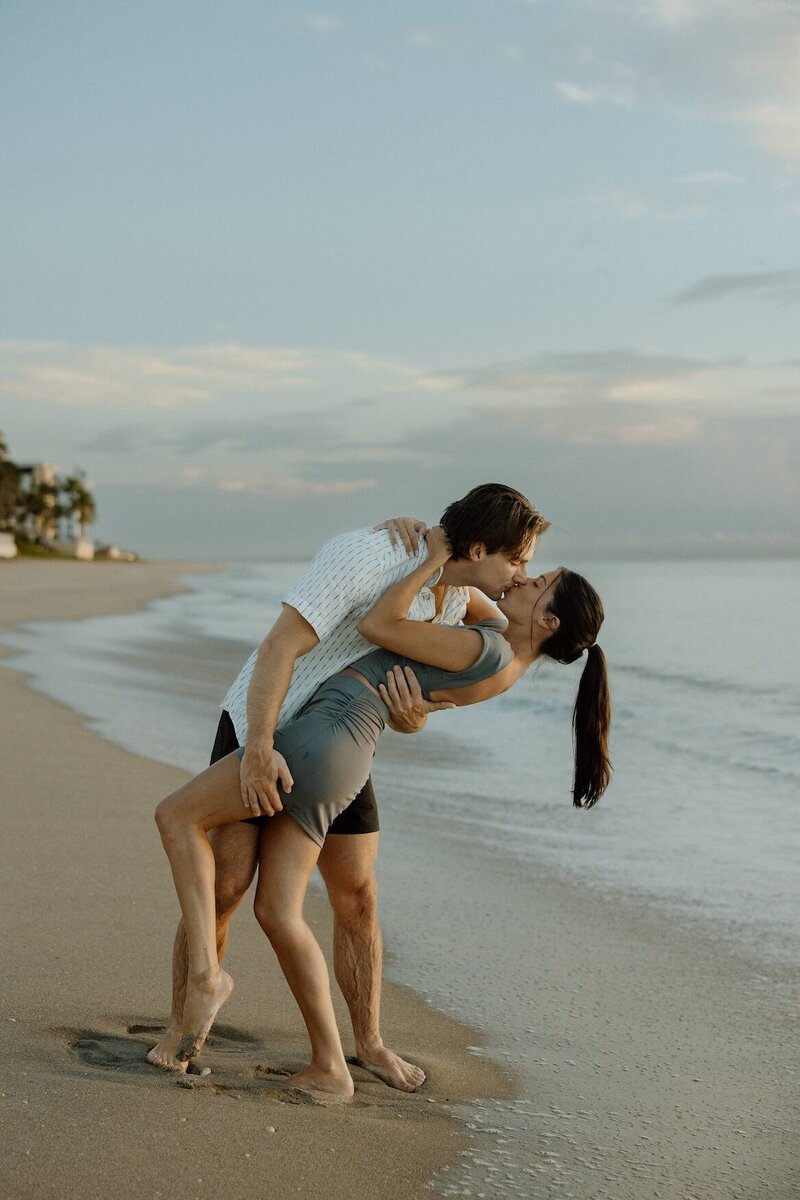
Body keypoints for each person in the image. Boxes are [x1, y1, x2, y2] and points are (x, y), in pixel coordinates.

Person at [154, 526, 611, 1097]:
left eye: (535, 579)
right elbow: (441, 650)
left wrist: (434, 561)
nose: (522, 577)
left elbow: (381, 631)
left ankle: (212, 981)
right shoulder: (498, 642)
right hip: (335, 740)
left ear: (548, 623)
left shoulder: (492, 650)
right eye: (519, 562)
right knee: (271, 907)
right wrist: (431, 546)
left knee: (181, 820)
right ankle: (325, 1062)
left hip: (328, 734)